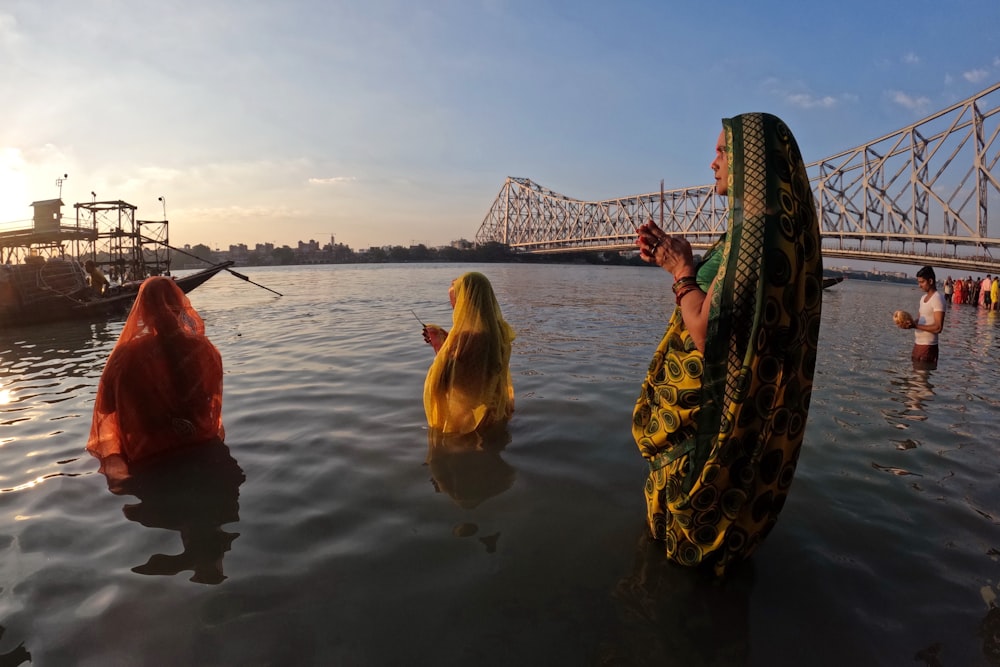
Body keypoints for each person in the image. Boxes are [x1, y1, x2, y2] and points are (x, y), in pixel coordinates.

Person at [632, 113, 823, 576]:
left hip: (706, 435)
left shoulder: (756, 236)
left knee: (682, 561)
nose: (712, 162)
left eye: (722, 151)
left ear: (752, 163)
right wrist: (678, 260)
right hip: (732, 424)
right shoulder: (771, 233)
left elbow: (709, 333)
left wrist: (680, 273)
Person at [87, 277, 225, 477]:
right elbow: (212, 396)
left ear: (142, 311)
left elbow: (106, 407)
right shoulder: (205, 349)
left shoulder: (125, 356)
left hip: (150, 456)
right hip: (202, 445)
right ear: (180, 305)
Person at [422, 272, 515, 436]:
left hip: (470, 423)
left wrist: (439, 347)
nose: (454, 307)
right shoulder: (500, 331)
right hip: (494, 413)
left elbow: (447, 381)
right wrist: (446, 341)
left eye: (455, 301)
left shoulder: (465, 338)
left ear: (467, 302)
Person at [897, 266, 945, 369]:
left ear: (930, 281)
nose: (920, 285)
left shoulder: (937, 298)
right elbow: (919, 321)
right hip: (918, 344)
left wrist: (915, 326)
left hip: (928, 346)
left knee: (920, 382)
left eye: (922, 282)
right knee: (915, 380)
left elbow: (938, 327)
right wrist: (907, 324)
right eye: (918, 282)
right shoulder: (923, 298)